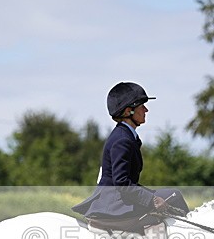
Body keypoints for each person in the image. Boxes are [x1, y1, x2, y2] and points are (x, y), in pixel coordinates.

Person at [72, 82, 189, 228]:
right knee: (175, 196)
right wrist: (151, 199)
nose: (146, 110)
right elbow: (121, 182)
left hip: (118, 198)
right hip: (113, 203)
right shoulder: (122, 139)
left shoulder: (126, 135)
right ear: (128, 111)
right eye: (141, 106)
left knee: (170, 195)